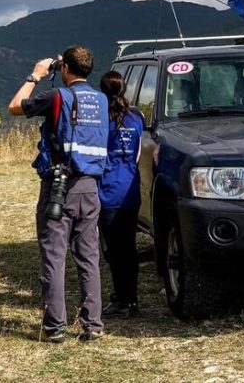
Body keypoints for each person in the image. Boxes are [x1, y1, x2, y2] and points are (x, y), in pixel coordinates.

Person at [8, 45, 109, 343]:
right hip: (90, 186)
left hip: (59, 186)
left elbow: (15, 107)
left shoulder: (57, 96)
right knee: (88, 256)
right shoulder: (101, 99)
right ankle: (92, 325)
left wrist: (35, 75)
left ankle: (55, 327)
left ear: (64, 68)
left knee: (54, 256)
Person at [97, 71, 144, 319]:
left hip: (107, 191)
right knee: (129, 247)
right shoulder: (136, 117)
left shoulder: (102, 120)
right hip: (131, 189)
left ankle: (120, 299)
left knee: (113, 251)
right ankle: (132, 299)